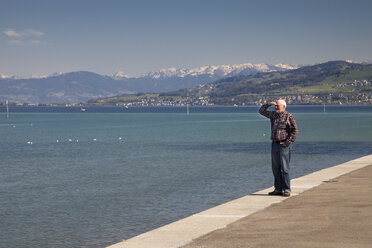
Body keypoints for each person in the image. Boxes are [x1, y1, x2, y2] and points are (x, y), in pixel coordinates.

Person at [259, 99, 298, 197]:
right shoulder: (273, 115)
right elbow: (261, 111)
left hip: (284, 144)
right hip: (274, 144)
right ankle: (278, 189)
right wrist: (269, 104)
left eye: (278, 106)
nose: (276, 107)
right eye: (275, 106)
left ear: (284, 107)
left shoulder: (289, 116)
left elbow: (295, 130)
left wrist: (288, 142)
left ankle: (286, 189)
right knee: (275, 168)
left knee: (284, 168)